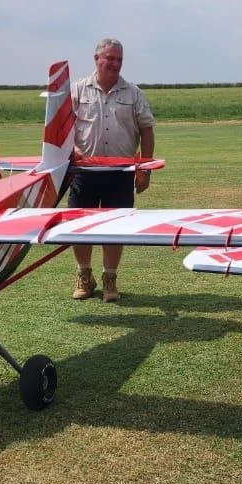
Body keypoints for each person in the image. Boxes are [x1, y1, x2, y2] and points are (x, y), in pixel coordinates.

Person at [68, 37, 156, 303]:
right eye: (110, 59)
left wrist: (144, 169)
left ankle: (110, 279)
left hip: (120, 172)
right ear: (97, 59)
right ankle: (84, 276)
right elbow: (62, 130)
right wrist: (72, 149)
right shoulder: (78, 90)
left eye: (119, 59)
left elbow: (147, 130)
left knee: (116, 228)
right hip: (84, 171)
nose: (116, 64)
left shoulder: (133, 93)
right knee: (79, 226)